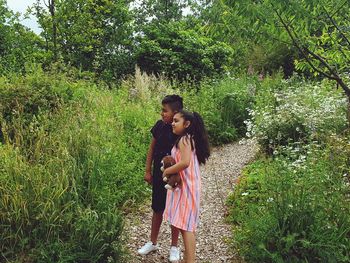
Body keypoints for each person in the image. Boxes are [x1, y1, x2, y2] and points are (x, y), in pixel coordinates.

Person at [137, 95, 183, 262]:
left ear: (176, 112)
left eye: (165, 110)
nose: (162, 113)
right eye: (162, 110)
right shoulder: (159, 126)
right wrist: (148, 170)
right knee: (157, 207)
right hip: (158, 173)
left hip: (174, 177)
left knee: (174, 210)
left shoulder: (180, 130)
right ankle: (153, 242)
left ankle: (174, 246)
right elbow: (152, 148)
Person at [163, 110, 210, 263]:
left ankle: (190, 260)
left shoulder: (184, 139)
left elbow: (185, 162)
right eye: (173, 120)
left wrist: (167, 170)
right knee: (186, 224)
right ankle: (188, 259)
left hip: (187, 188)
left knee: (186, 227)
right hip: (187, 187)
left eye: (176, 121)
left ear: (187, 124)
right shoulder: (187, 139)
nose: (173, 123)